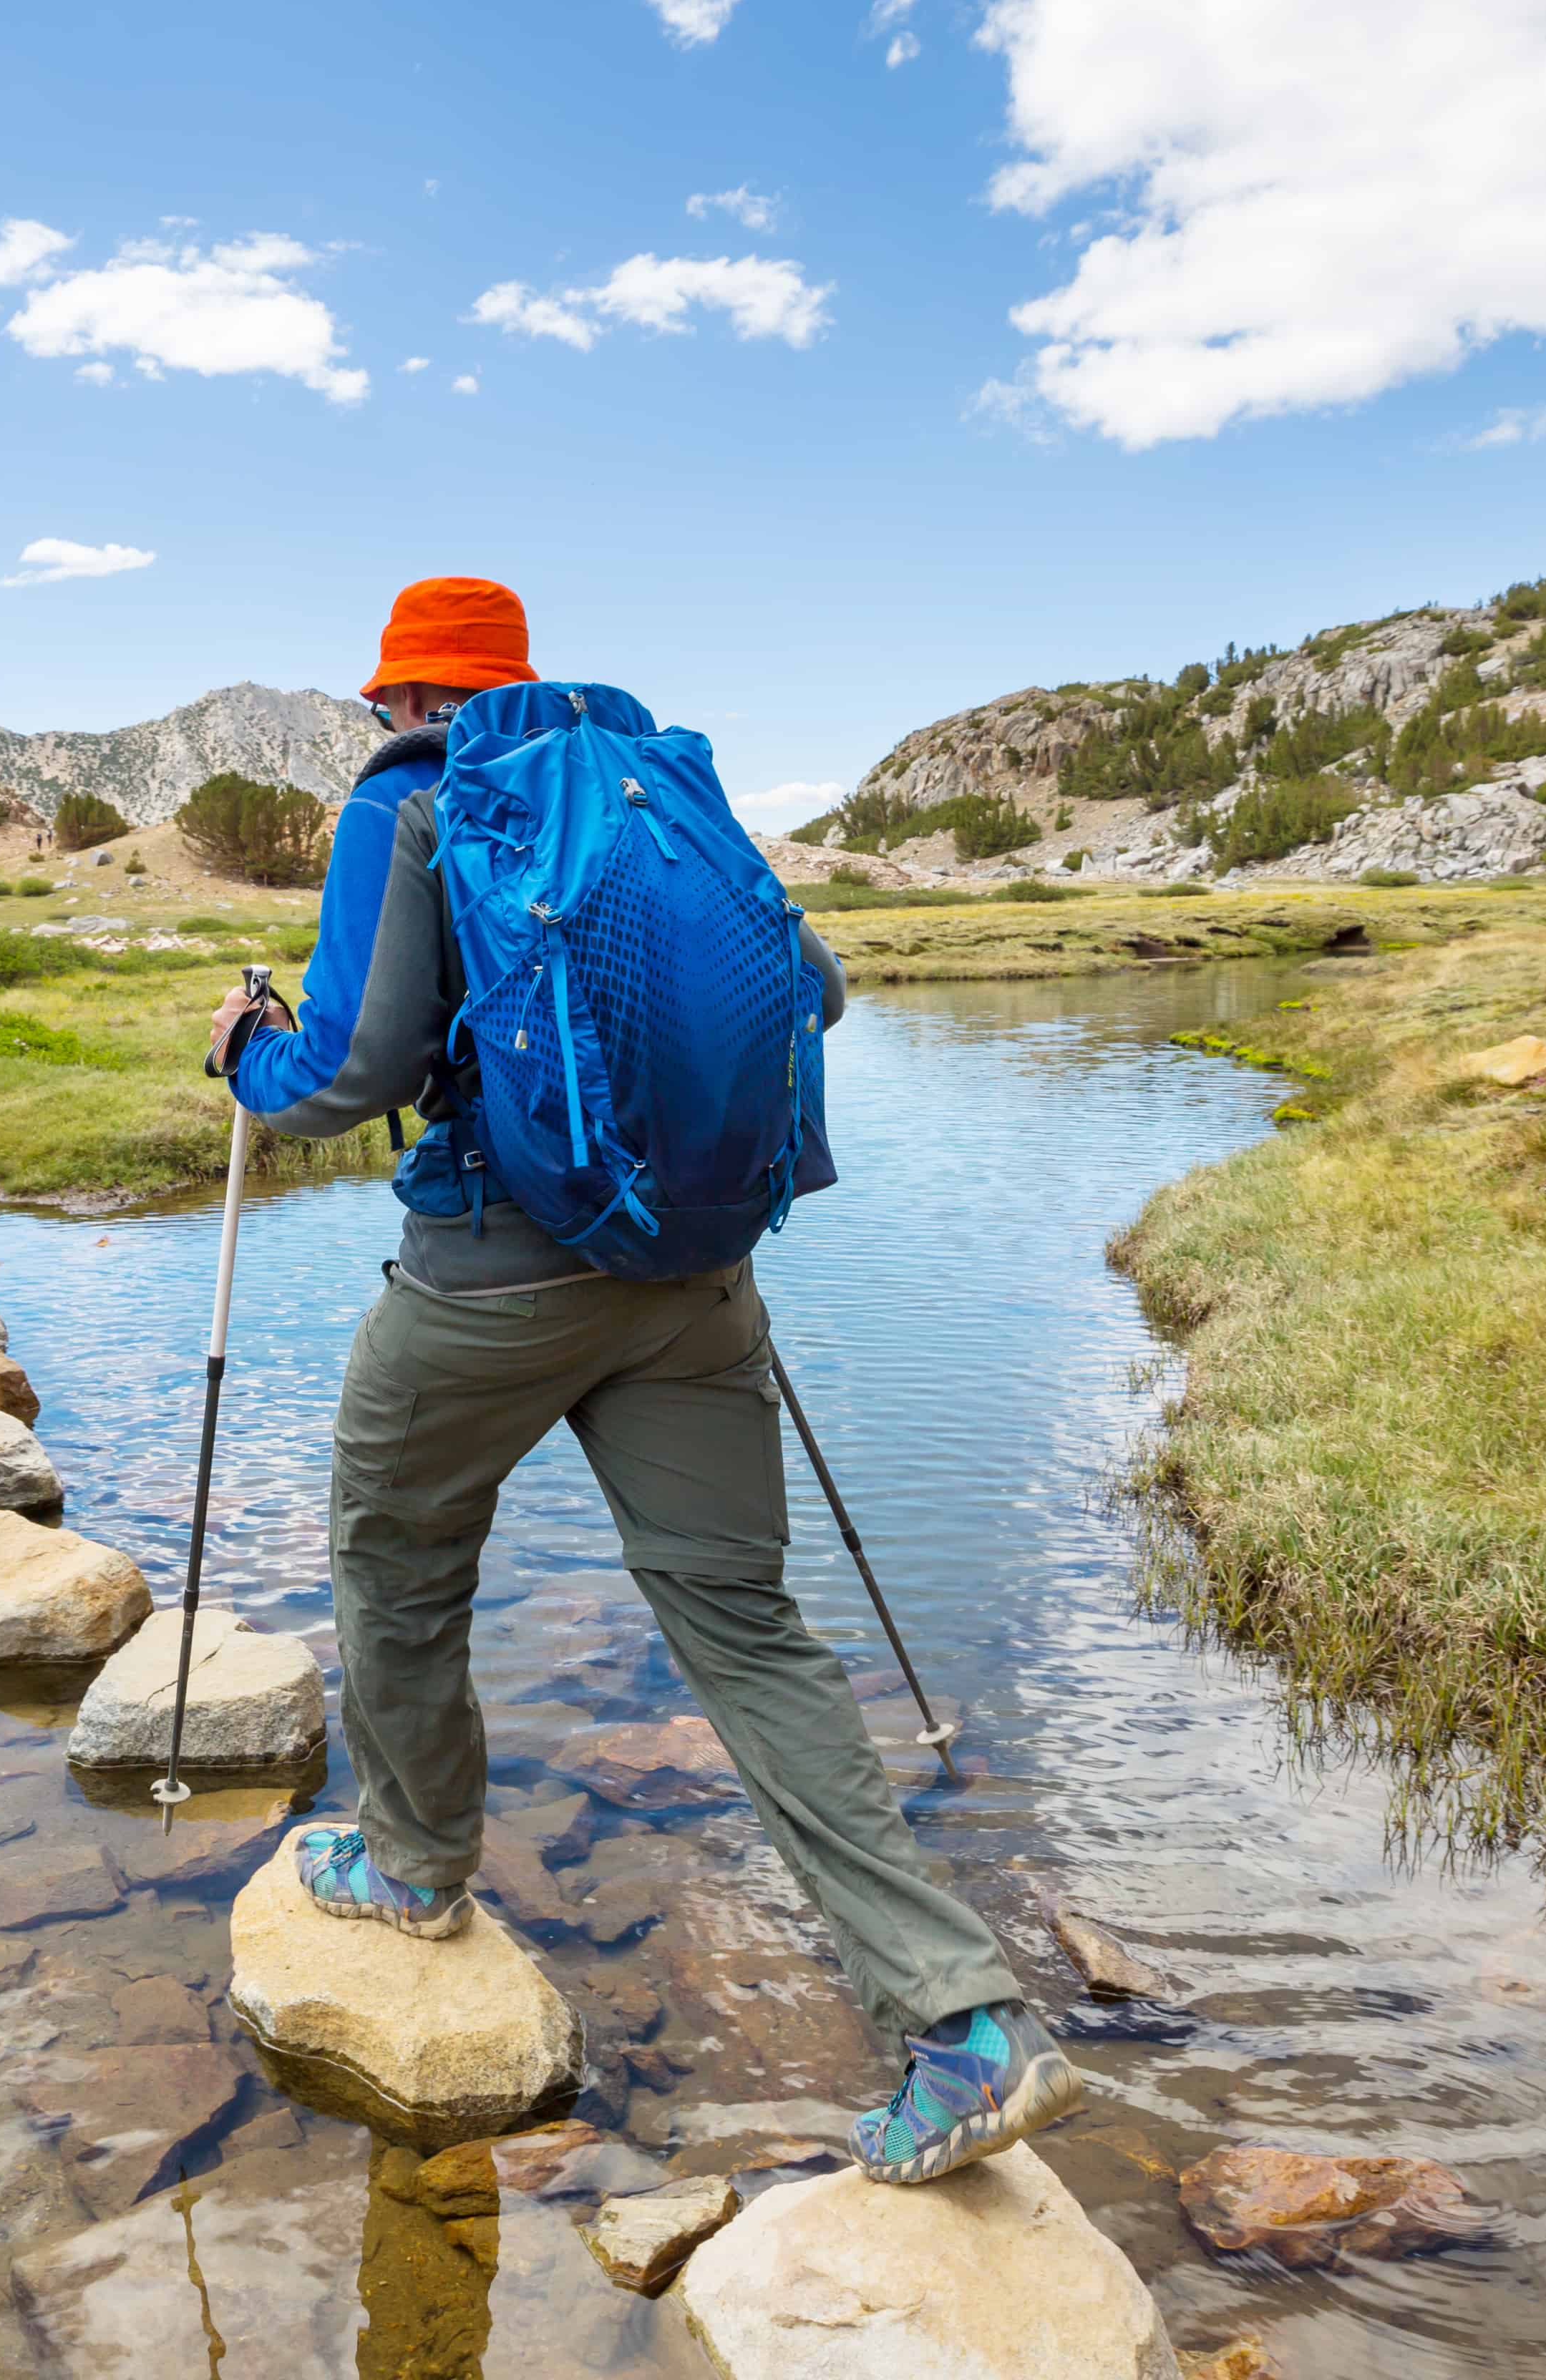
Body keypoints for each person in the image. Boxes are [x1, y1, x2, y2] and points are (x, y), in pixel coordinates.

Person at [205, 575, 1084, 2190]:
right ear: (516, 679)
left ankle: (413, 1871)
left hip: (488, 1282)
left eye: (387, 704)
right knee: (746, 1630)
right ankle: (965, 2026)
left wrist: (240, 1046)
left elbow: (345, 1073)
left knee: (396, 1560)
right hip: (691, 1280)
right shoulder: (653, 785)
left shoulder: (412, 804)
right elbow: (810, 990)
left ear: (401, 699)